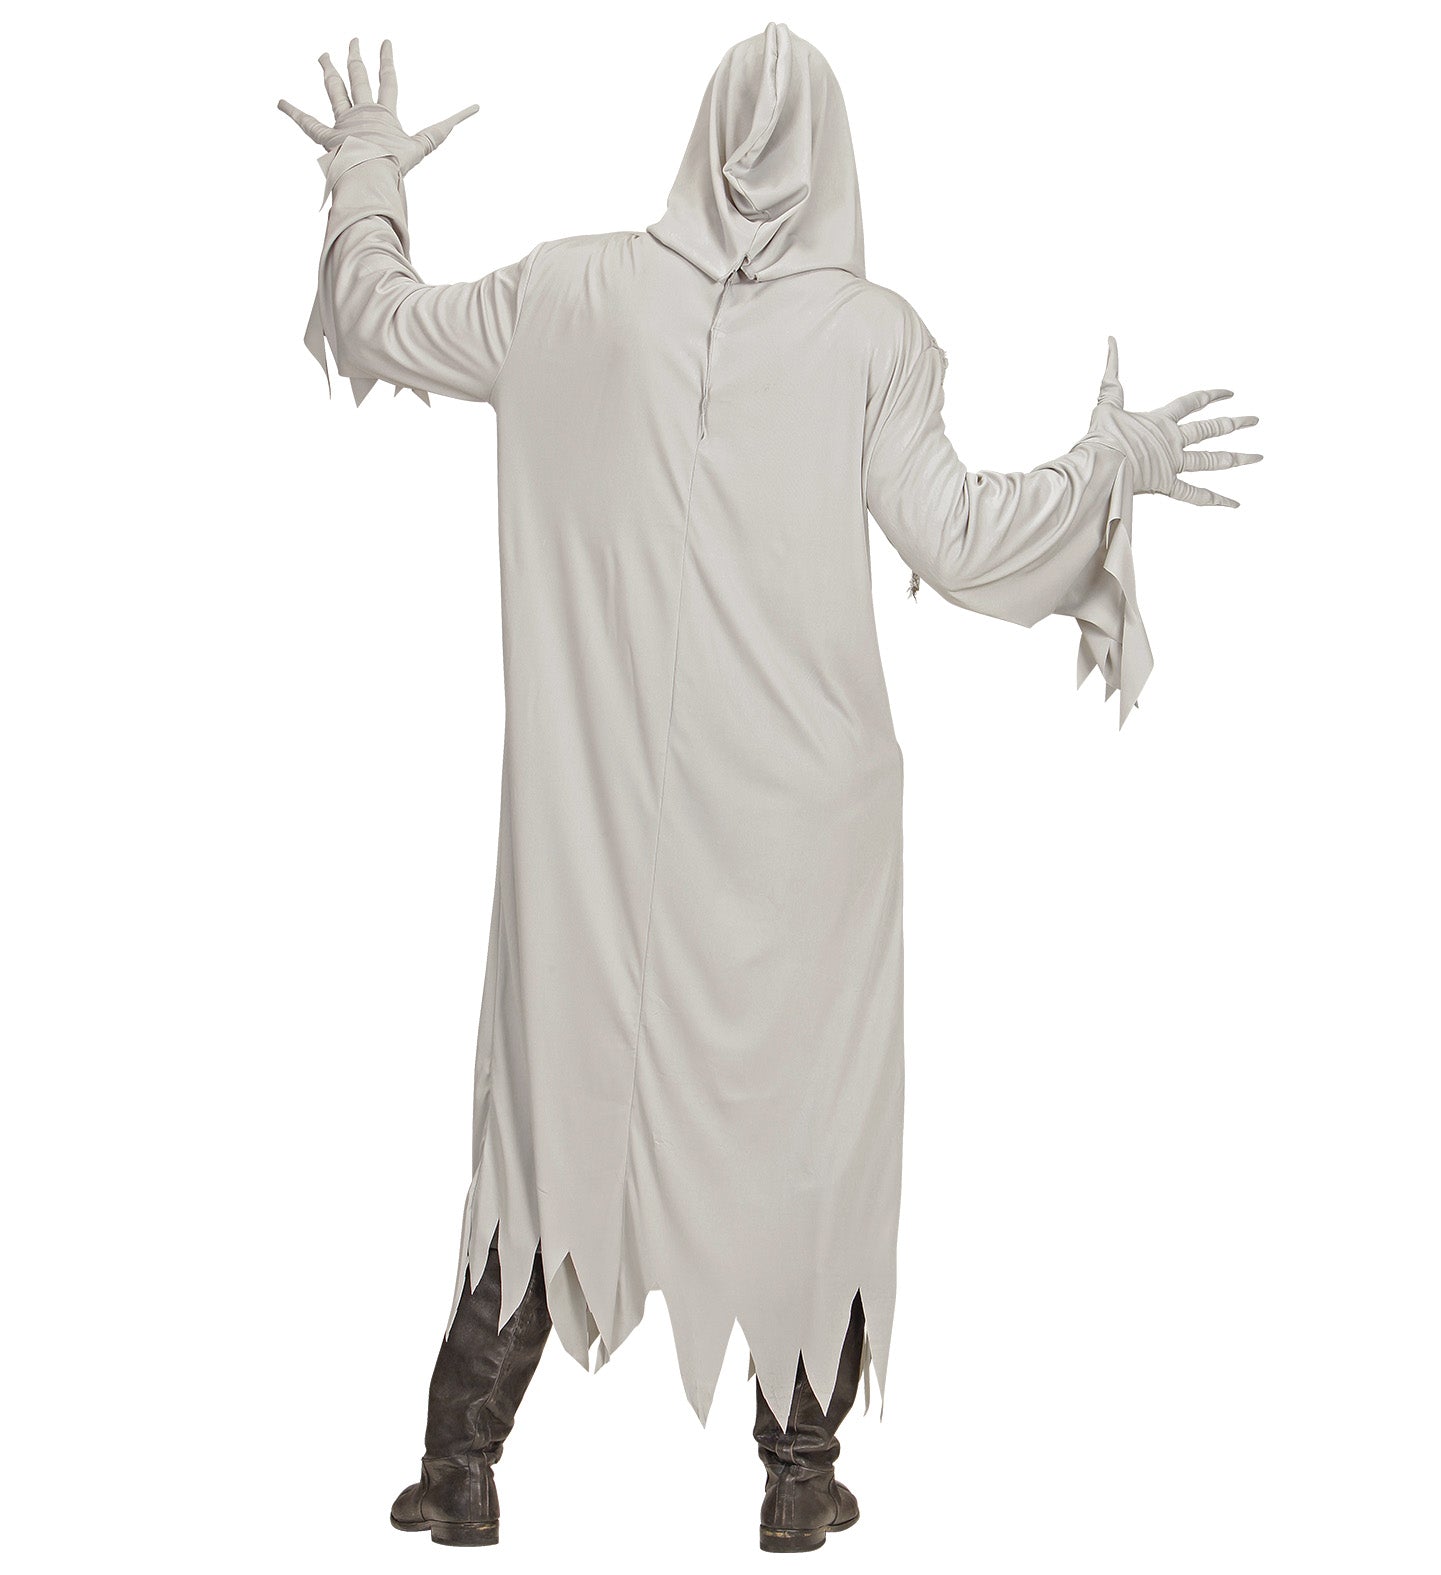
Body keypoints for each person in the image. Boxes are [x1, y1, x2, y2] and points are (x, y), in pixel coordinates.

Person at [279, 24, 1261, 1554]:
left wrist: (367, 171)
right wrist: (1105, 466)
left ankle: (460, 1465)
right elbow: (963, 543)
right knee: (805, 1127)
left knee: (554, 1105)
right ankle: (798, 1477)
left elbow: (380, 315)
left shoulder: (566, 295)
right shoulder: (871, 338)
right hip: (801, 830)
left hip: (596, 823)